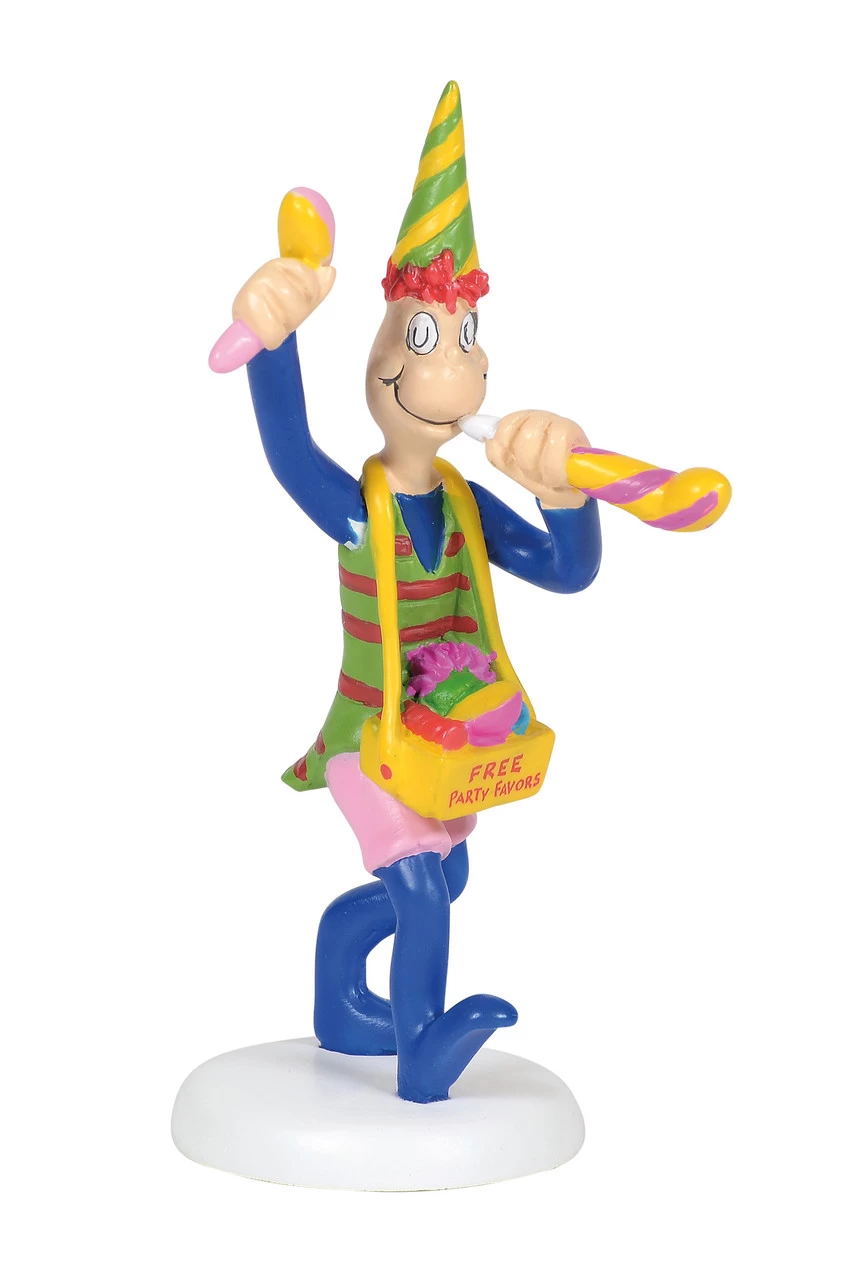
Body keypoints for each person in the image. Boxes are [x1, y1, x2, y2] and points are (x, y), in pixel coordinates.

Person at [229, 82, 601, 1103]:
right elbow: (287, 449)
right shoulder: (360, 509)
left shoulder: (469, 507)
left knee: (448, 875)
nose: (453, 368)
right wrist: (274, 336)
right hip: (371, 739)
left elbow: (567, 571)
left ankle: (339, 995)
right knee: (423, 888)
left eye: (466, 336)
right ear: (381, 358)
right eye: (425, 339)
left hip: (440, 742)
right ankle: (423, 1051)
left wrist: (566, 495)